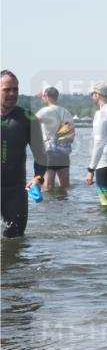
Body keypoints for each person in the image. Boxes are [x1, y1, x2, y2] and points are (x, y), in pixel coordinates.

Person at [1, 70, 47, 238]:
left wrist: (38, 177)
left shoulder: (28, 117)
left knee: (15, 239)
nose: (12, 93)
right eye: (7, 89)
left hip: (15, 190)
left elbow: (41, 155)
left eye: (15, 89)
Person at [36, 86, 75, 191]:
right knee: (65, 187)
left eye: (43, 96)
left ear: (47, 97)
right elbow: (72, 134)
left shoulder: (44, 111)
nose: (42, 98)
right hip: (64, 153)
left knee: (47, 188)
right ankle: (63, 206)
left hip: (49, 152)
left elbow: (31, 124)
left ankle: (50, 207)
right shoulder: (66, 112)